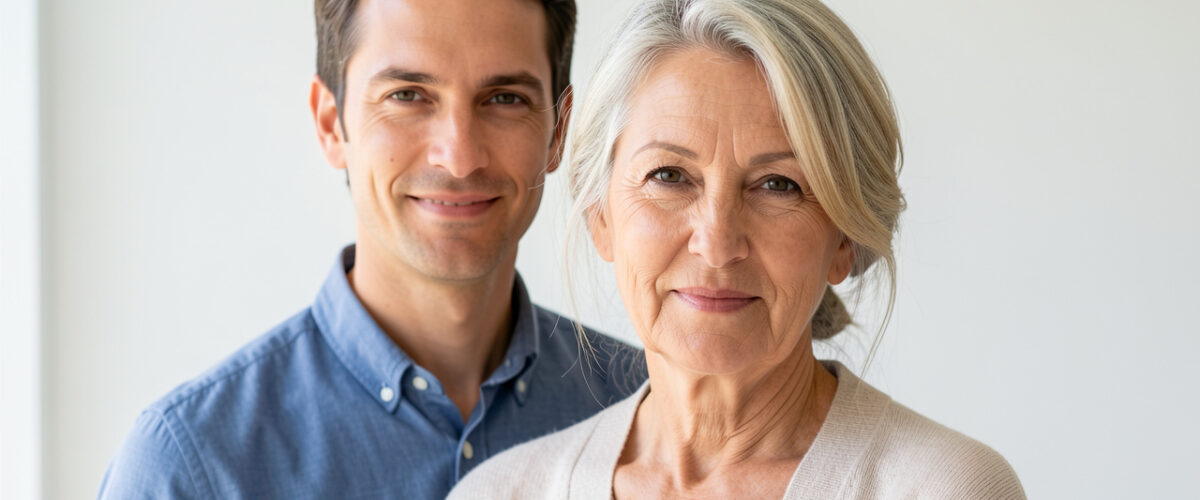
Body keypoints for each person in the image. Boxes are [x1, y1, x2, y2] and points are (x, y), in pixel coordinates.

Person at [449, 0, 1026, 498]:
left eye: (779, 185)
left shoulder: (949, 488)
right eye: (669, 176)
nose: (718, 243)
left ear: (844, 239)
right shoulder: (500, 492)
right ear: (601, 216)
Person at [98, 0, 645, 498]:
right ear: (330, 121)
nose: (458, 157)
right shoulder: (190, 467)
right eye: (407, 95)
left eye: (504, 98)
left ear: (558, 130)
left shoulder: (653, 412)